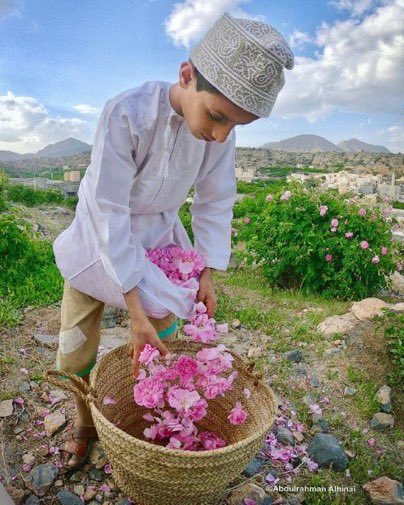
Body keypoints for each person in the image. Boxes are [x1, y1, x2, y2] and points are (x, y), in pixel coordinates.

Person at [52, 12, 294, 469]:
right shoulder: (127, 113)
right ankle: (84, 421)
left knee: (160, 340)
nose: (220, 135)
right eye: (217, 117)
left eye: (235, 126)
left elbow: (215, 201)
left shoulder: (219, 136)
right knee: (75, 344)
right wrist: (133, 310)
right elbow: (109, 209)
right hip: (96, 238)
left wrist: (206, 272)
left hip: (159, 240)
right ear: (186, 75)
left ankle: (154, 420)